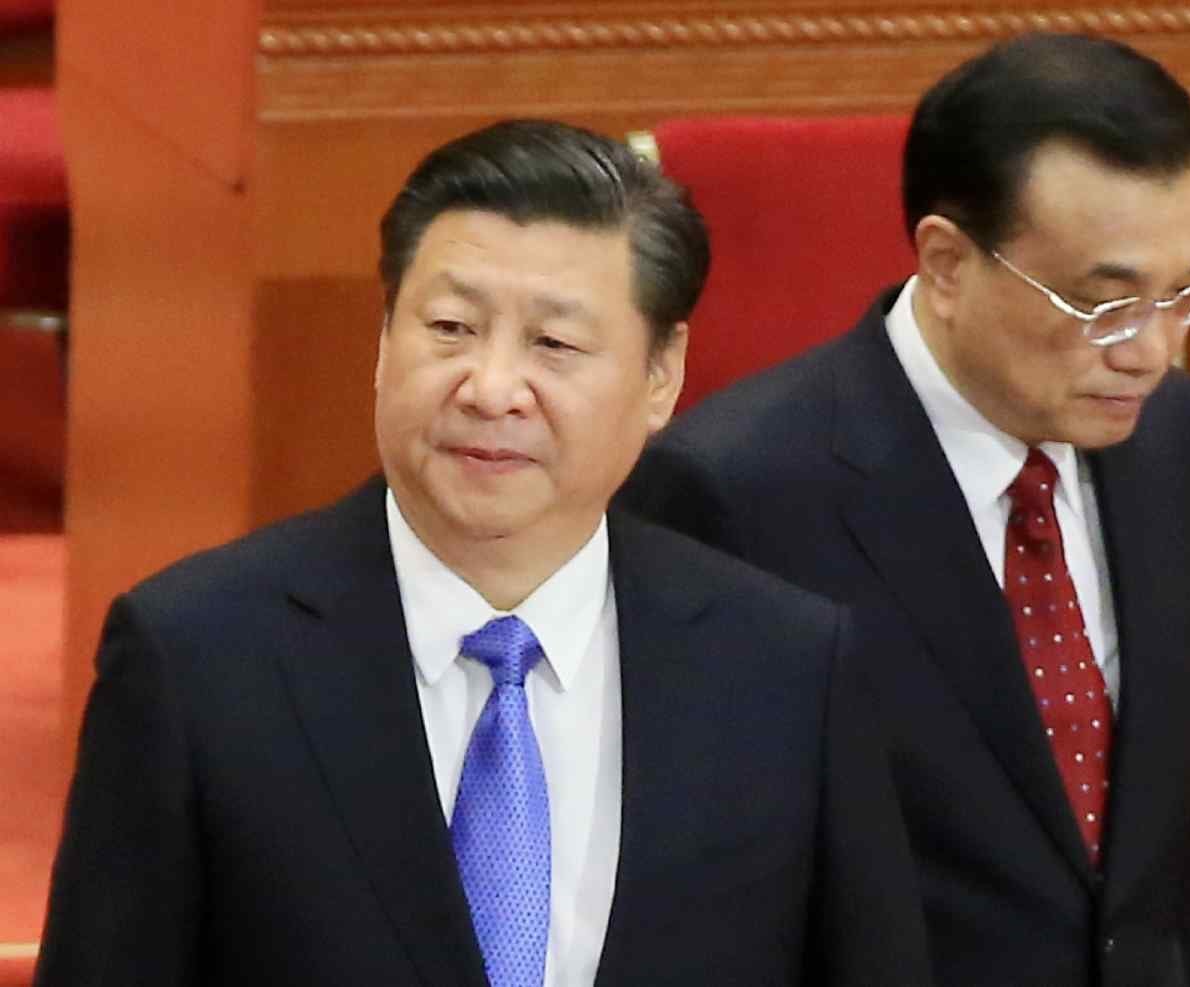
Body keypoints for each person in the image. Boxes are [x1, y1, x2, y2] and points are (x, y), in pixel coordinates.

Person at [35, 120, 926, 986]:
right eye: (451, 327)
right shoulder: (197, 657)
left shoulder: (786, 670)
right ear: (384, 338)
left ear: (661, 376)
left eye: (554, 343)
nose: (492, 389)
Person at [621, 33, 1190, 987]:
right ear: (946, 262)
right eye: (1103, 303)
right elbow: (708, 899)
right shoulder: (734, 494)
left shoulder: (1179, 439)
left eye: (1184, 292)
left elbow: (1173, 832)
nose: (1149, 352)